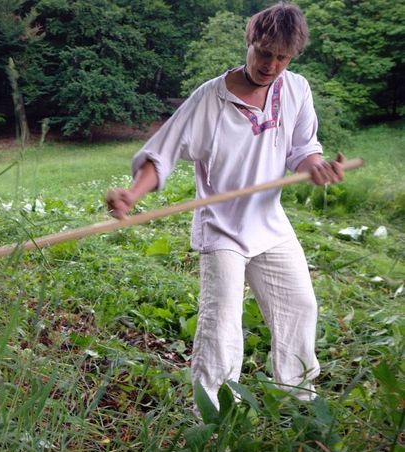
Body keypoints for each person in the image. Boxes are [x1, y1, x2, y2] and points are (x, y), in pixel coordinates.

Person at [106, 2, 344, 410]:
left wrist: (316, 166)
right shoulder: (209, 101)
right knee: (222, 326)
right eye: (264, 53)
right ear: (249, 42)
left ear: (292, 57)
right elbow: (161, 151)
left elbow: (303, 148)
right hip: (222, 229)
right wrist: (133, 195)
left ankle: (300, 400)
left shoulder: (296, 90)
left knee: (300, 305)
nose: (271, 65)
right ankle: (213, 414)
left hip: (270, 223)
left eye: (281, 58)